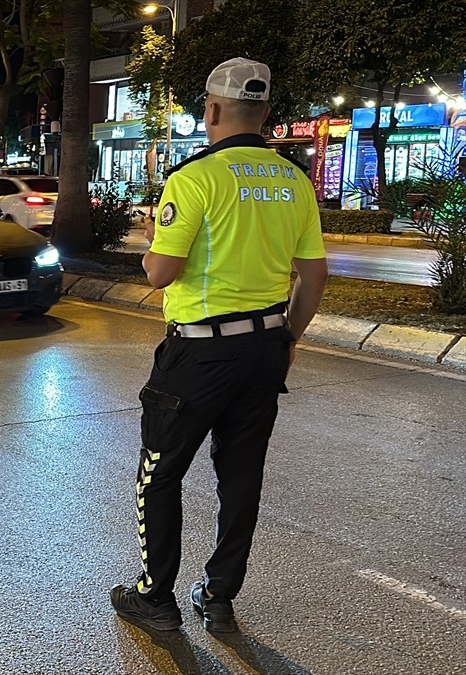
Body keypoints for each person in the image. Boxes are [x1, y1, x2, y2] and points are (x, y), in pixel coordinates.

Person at [109, 58, 328, 633]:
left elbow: (161, 273)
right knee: (240, 475)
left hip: (200, 353)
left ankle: (155, 598)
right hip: (265, 347)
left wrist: (151, 248)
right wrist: (288, 339)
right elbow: (313, 277)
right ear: (265, 112)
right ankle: (220, 595)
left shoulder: (195, 178)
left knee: (159, 475)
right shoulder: (293, 181)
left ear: (210, 109)